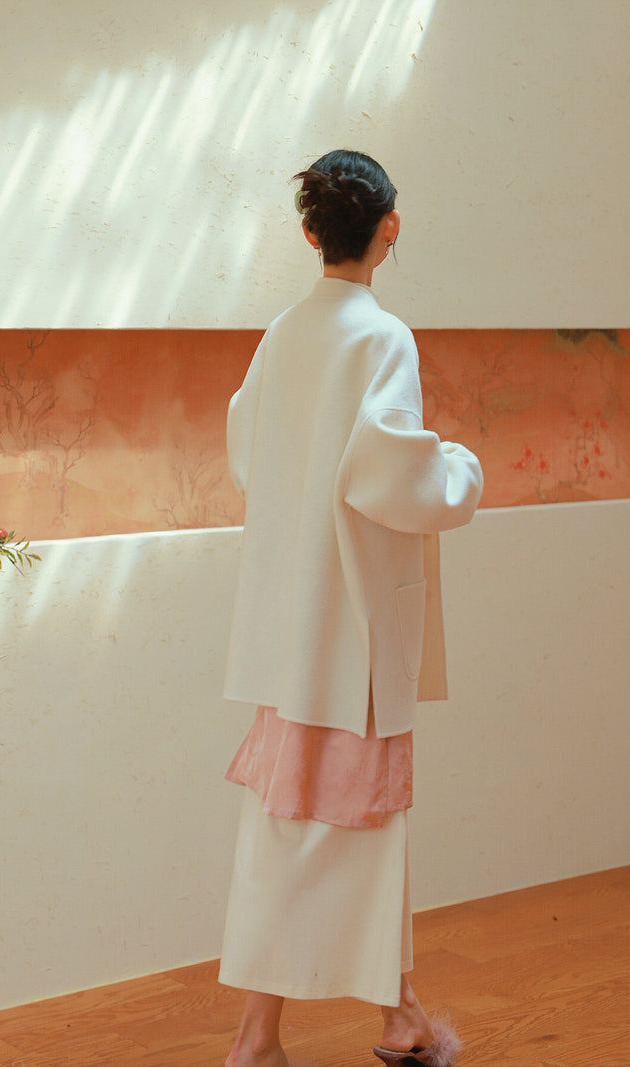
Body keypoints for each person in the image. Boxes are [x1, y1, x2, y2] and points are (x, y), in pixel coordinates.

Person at [218, 149, 483, 1067]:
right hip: (353, 630)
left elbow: (249, 451)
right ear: (389, 227)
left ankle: (373, 1020)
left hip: (291, 626)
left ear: (308, 232)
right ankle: (271, 1036)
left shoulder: (282, 334)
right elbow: (389, 474)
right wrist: (460, 469)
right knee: (352, 825)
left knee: (295, 824)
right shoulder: (382, 337)